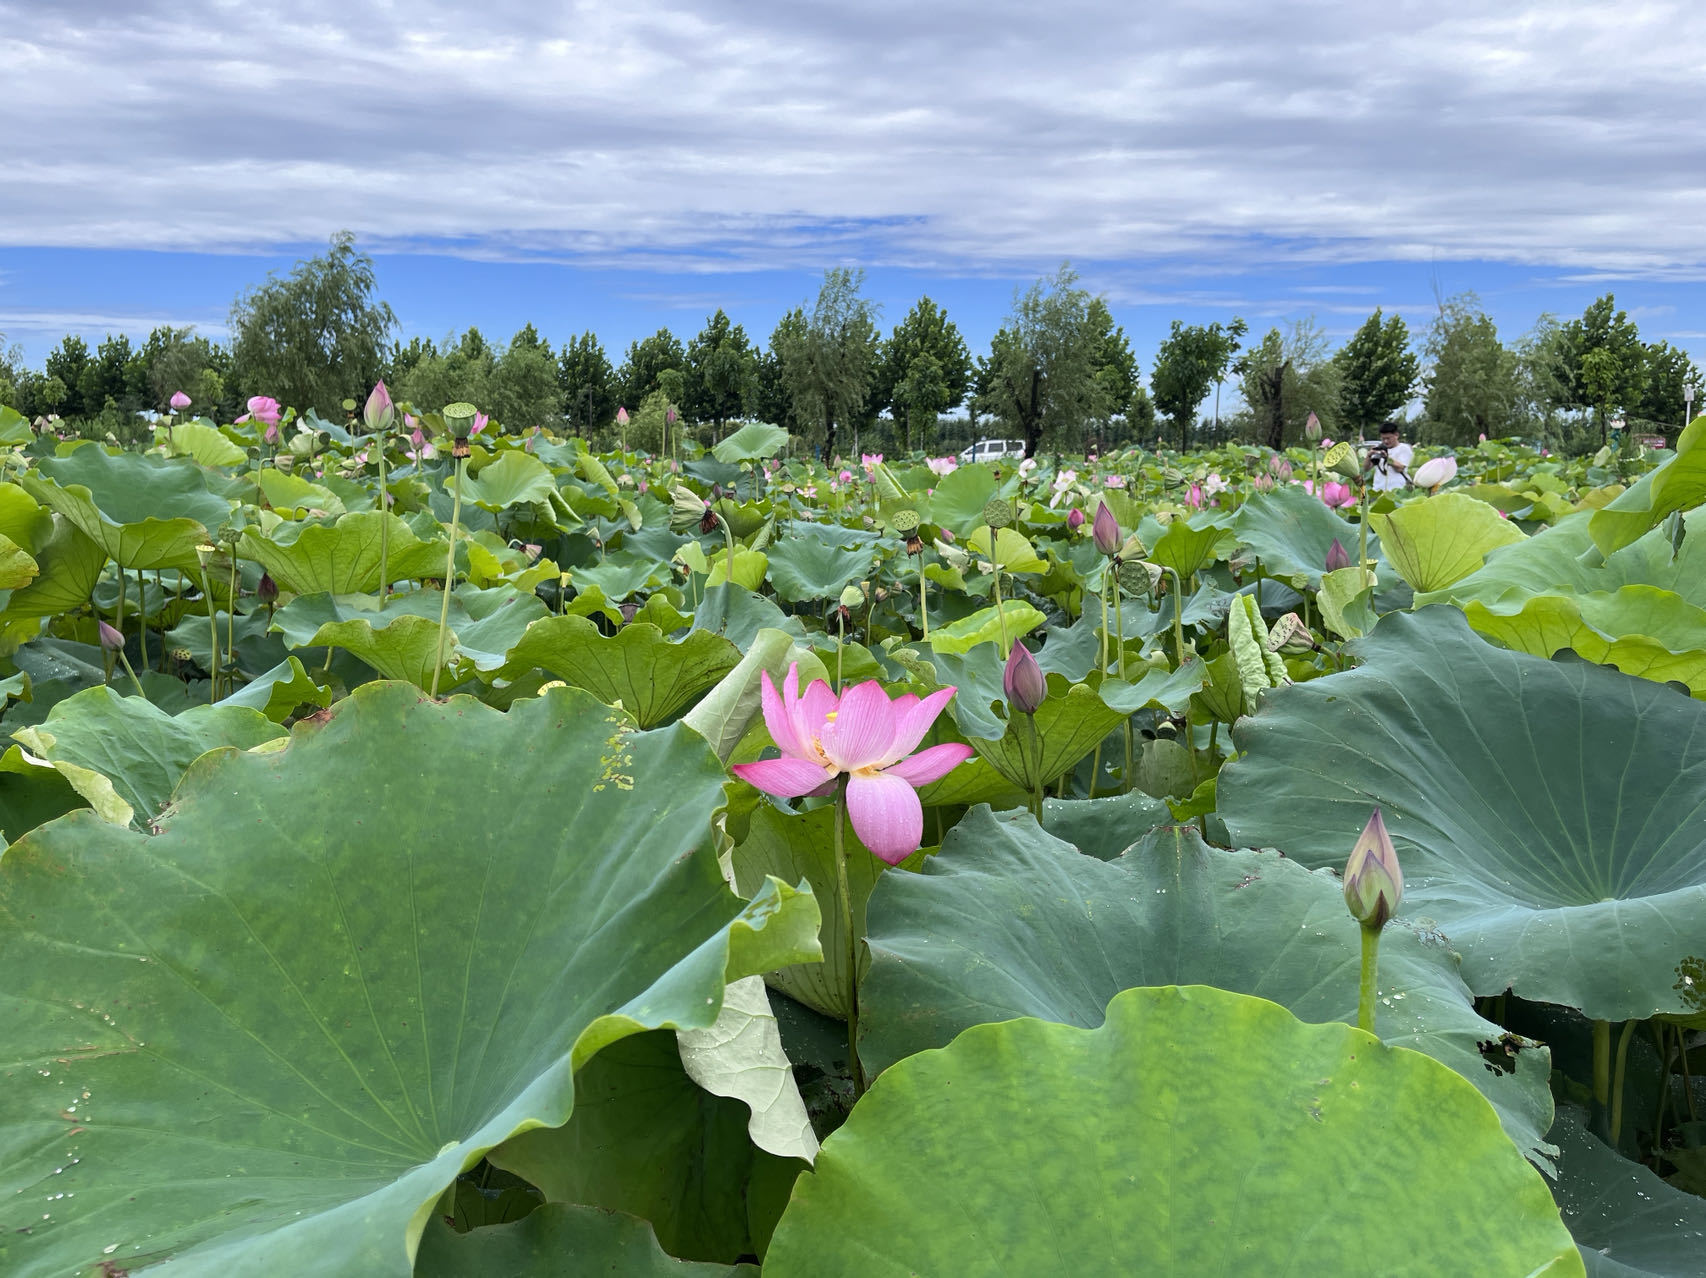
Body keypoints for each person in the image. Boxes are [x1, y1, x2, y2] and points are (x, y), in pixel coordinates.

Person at [1367, 421, 1413, 492]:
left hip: (1397, 490)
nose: (1385, 441)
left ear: (1396, 435)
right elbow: (1366, 468)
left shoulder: (1404, 448)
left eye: (1388, 438)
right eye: (1383, 438)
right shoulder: (1379, 448)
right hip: (1378, 489)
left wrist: (1387, 458)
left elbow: (1400, 468)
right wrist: (1369, 456)